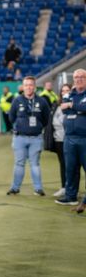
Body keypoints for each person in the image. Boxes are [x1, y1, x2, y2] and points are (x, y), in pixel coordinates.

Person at [7, 76, 50, 196]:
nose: (28, 87)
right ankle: (15, 188)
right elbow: (11, 118)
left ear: (35, 87)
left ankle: (38, 188)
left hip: (36, 138)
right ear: (23, 87)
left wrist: (37, 127)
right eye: (26, 85)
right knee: (19, 163)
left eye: (31, 85)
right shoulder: (17, 100)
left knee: (35, 164)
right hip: (19, 138)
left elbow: (46, 119)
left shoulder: (42, 101)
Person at [56, 69, 86, 206]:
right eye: (76, 77)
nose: (79, 79)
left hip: (84, 138)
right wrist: (78, 108)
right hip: (69, 138)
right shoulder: (69, 94)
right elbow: (64, 109)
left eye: (82, 77)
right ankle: (71, 197)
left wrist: (72, 105)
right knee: (70, 169)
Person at [49, 84, 74, 197]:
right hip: (59, 140)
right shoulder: (57, 105)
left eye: (67, 90)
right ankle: (64, 187)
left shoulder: (74, 105)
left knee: (73, 166)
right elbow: (53, 122)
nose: (65, 93)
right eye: (63, 91)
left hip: (71, 139)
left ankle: (73, 189)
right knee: (63, 164)